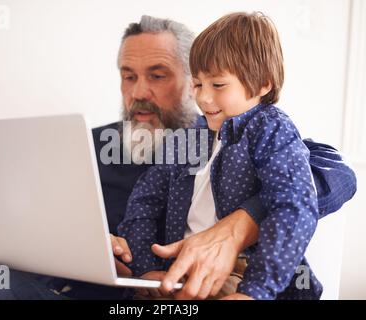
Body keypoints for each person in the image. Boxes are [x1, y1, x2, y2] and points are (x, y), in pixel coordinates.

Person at [0, 15, 356, 300]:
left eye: (157, 75)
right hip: (117, 292)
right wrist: (92, 249)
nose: (139, 92)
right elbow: (44, 226)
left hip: (210, 286)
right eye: (128, 76)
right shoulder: (88, 145)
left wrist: (245, 221)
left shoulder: (260, 132)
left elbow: (329, 178)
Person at [117, 12, 354, 300]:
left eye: (217, 85)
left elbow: (293, 207)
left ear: (263, 84)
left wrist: (256, 290)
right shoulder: (189, 137)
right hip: (176, 272)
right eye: (198, 84)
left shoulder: (270, 130)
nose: (203, 98)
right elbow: (144, 202)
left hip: (243, 274)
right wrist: (144, 269)